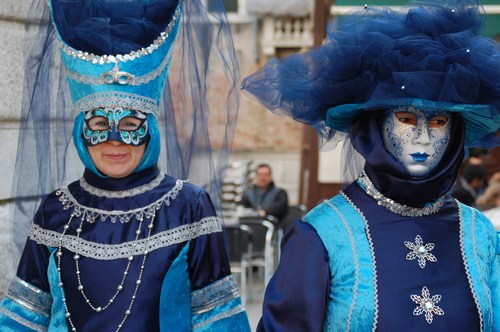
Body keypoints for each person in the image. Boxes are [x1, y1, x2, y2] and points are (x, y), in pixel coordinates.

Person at [242, 0, 500, 330]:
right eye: (406, 119)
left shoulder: (479, 234)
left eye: (437, 121)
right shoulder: (322, 235)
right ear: (374, 127)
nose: (422, 138)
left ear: (455, 132)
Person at [0, 0, 250, 331]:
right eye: (100, 125)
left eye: (131, 125)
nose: (114, 140)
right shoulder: (55, 211)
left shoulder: (189, 206)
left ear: (151, 130)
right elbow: (24, 317)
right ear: (81, 132)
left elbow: (216, 316)